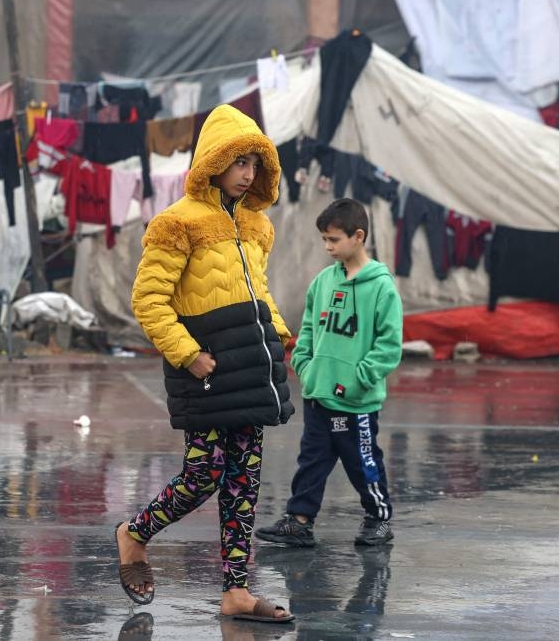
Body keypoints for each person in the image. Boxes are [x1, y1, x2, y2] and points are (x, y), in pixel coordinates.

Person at [116, 104, 295, 624]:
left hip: (251, 369)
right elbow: (149, 299)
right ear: (213, 161)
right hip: (207, 369)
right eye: (239, 162)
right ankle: (134, 533)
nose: (248, 173)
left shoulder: (256, 226)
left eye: (255, 164)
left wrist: (279, 335)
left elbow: (258, 291)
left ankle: (236, 590)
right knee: (205, 473)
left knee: (245, 480)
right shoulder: (177, 223)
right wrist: (187, 354)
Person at [256, 198, 403, 548]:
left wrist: (359, 379)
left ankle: (379, 519)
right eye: (324, 239)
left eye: (333, 239)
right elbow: (308, 329)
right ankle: (299, 521)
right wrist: (305, 365)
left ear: (358, 236)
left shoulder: (382, 287)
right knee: (312, 460)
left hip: (357, 402)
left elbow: (389, 346)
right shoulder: (323, 282)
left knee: (362, 461)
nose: (327, 246)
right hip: (318, 395)